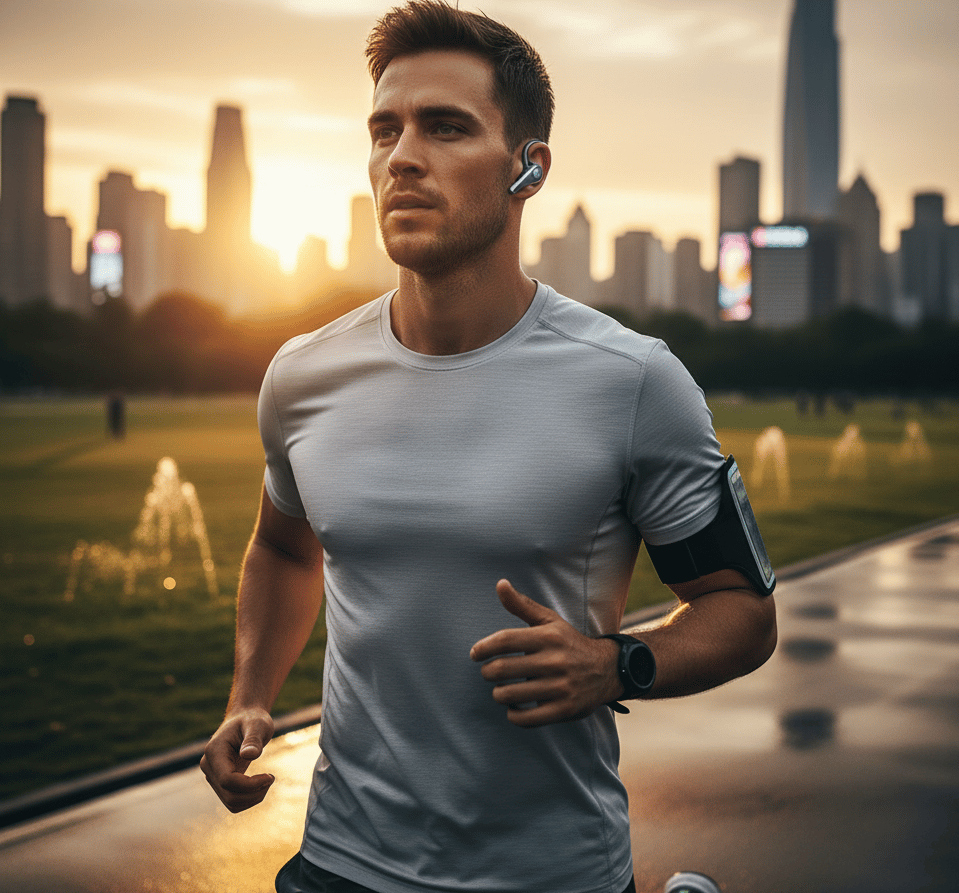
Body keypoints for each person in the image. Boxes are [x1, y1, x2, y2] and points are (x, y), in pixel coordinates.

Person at [200, 2, 777, 892]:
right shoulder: (302, 374)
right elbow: (283, 546)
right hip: (338, 863)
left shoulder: (633, 381)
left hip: (553, 873)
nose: (402, 157)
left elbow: (741, 607)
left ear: (527, 169)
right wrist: (249, 694)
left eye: (445, 127)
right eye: (385, 129)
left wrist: (619, 662)